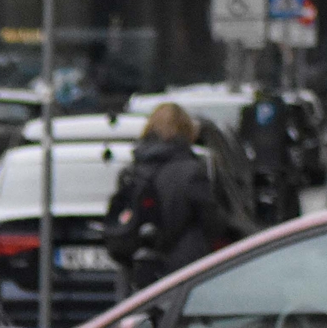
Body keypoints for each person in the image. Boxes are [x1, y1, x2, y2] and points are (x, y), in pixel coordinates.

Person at [108, 102, 228, 290]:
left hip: (139, 270)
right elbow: (213, 222)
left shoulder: (132, 170)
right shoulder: (192, 172)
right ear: (187, 130)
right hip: (183, 272)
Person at [238, 87, 301, 223]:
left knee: (259, 197)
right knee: (282, 199)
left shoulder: (249, 111)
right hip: (279, 164)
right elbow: (294, 137)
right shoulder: (284, 110)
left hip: (255, 164)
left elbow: (242, 137)